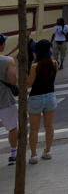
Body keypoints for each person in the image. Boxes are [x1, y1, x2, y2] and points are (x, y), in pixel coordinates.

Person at [27, 39, 58, 164]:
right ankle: (47, 151)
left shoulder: (35, 66)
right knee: (49, 125)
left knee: (34, 128)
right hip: (50, 96)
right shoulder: (54, 63)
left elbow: (29, 84)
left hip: (36, 97)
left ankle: (33, 154)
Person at [0, 34, 18, 165]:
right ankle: (13, 154)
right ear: (2, 45)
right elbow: (12, 81)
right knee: (12, 127)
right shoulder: (8, 61)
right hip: (5, 99)